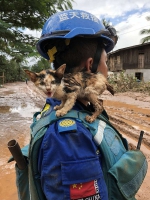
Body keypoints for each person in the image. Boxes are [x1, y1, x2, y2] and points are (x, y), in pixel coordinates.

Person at [12, 9, 147, 200]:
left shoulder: (73, 108)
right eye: (106, 63)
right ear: (90, 66)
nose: (107, 71)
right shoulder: (70, 137)